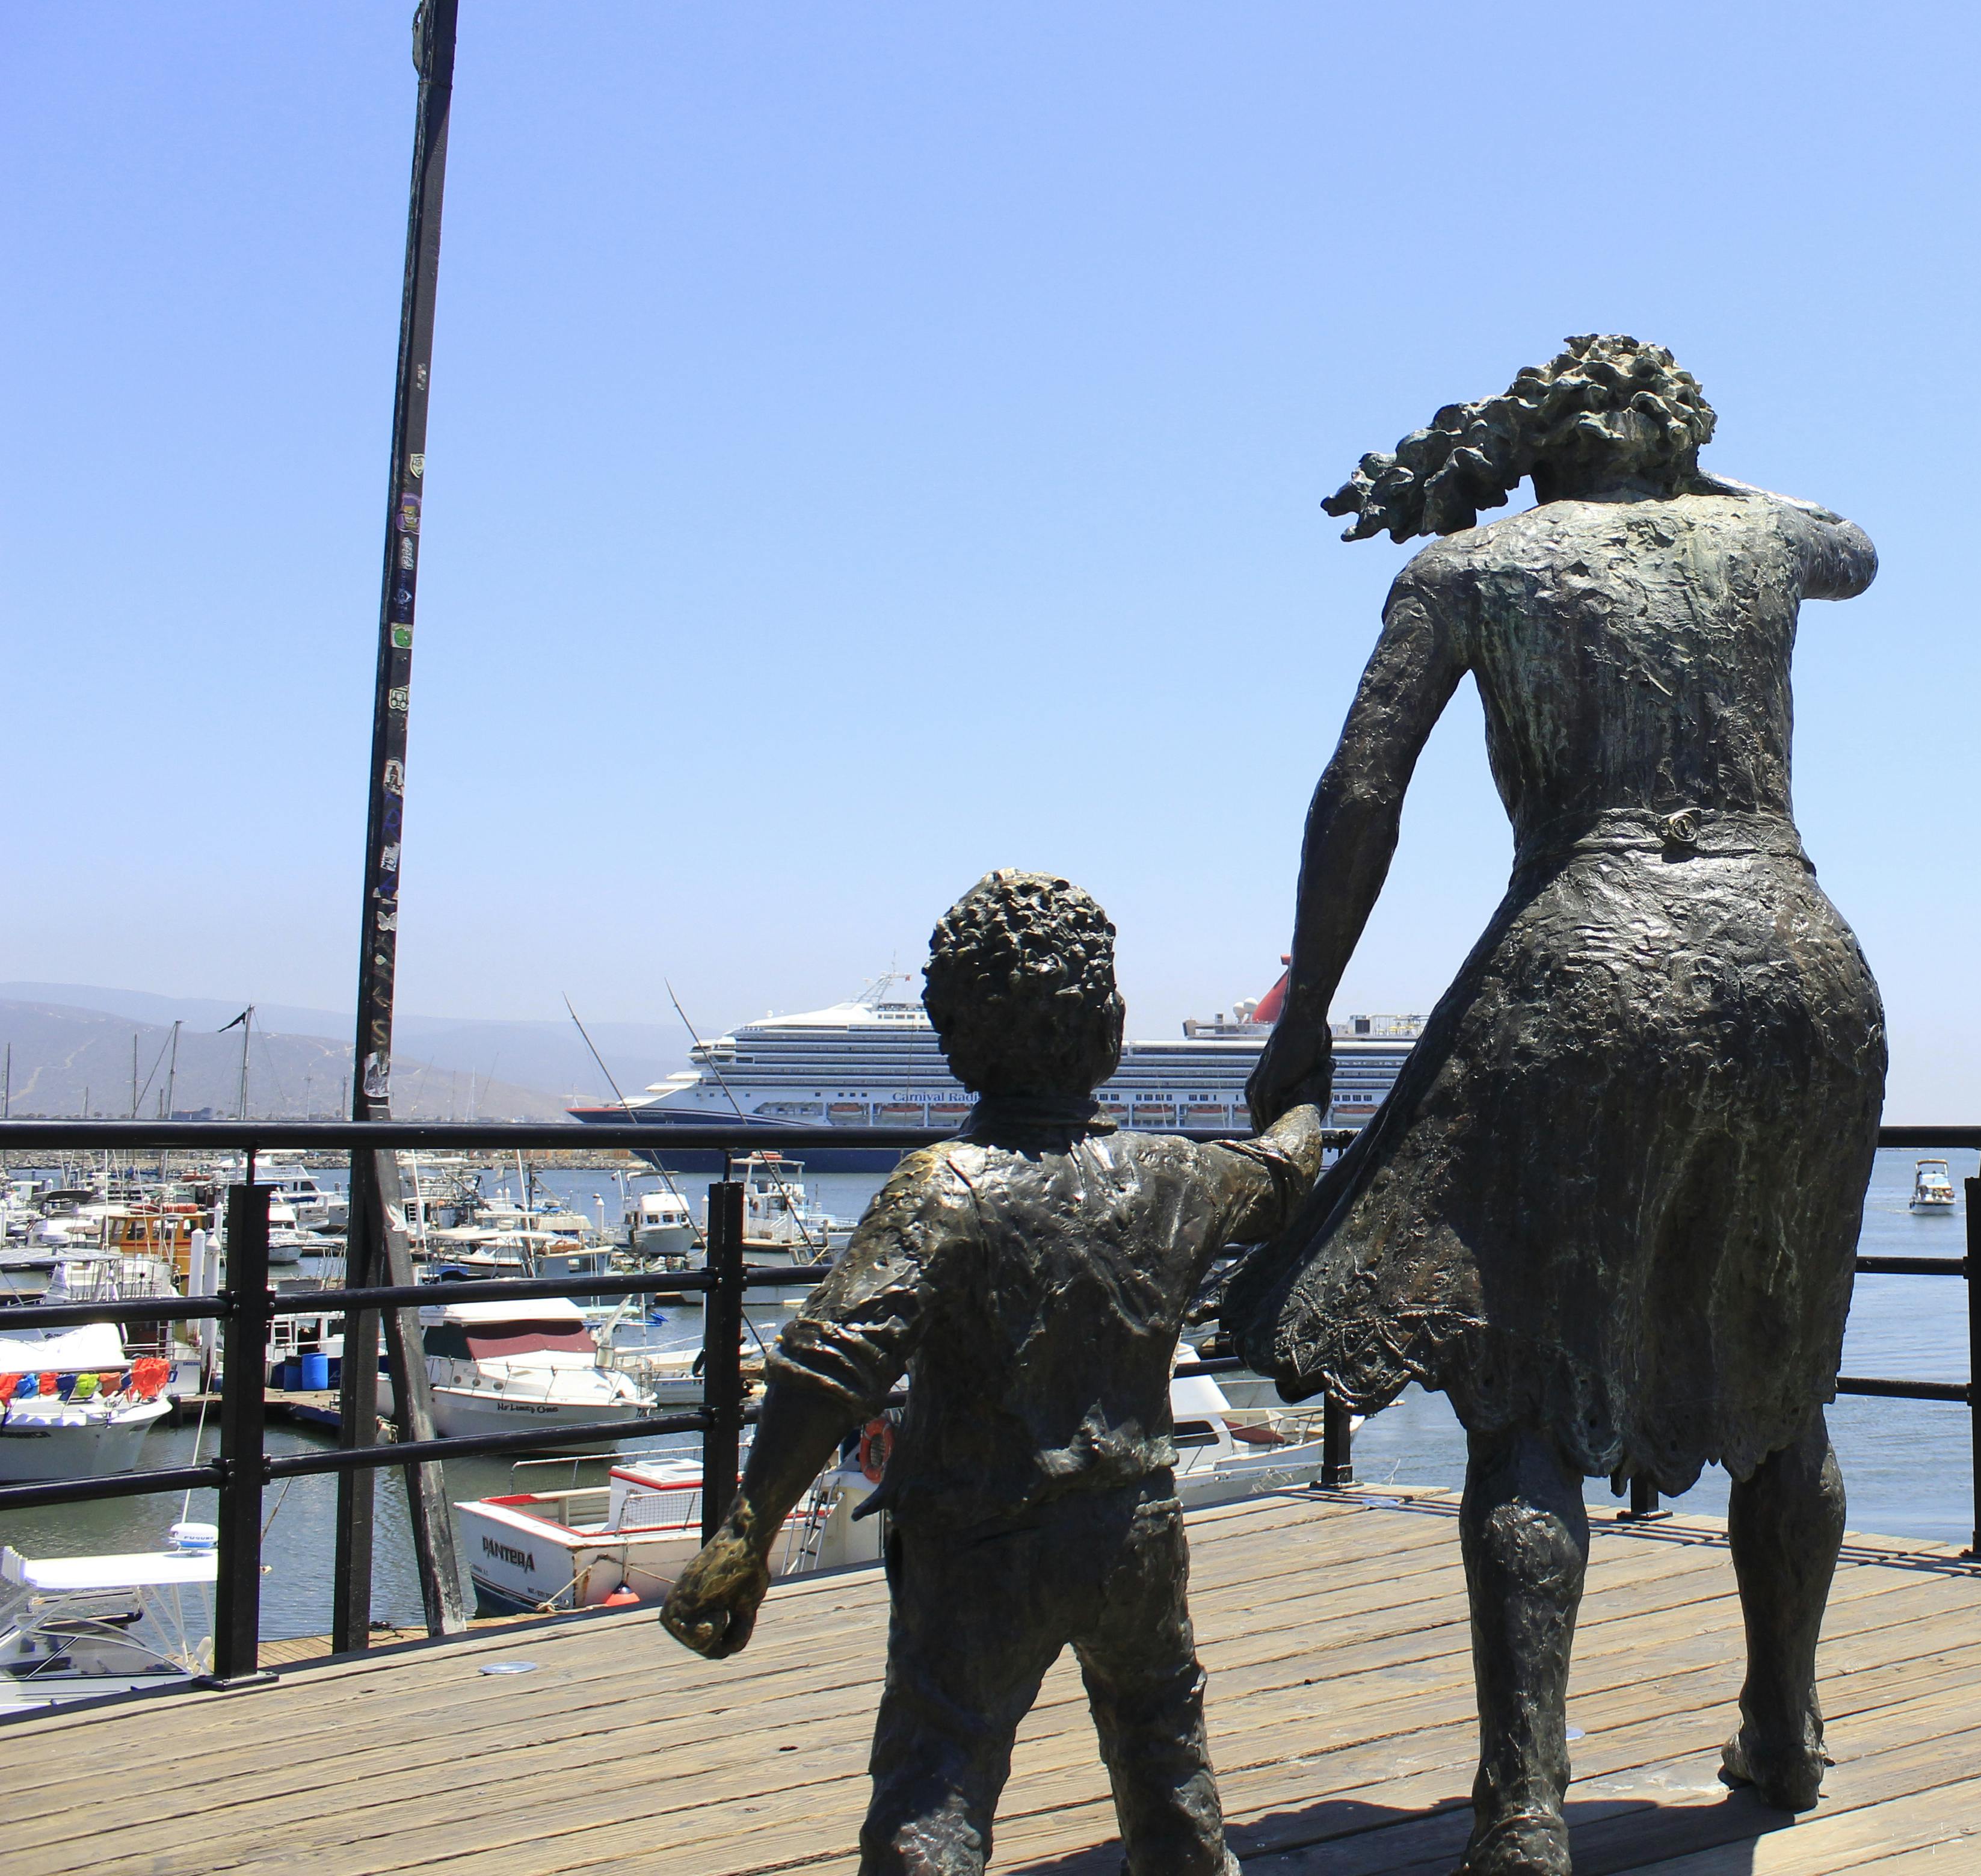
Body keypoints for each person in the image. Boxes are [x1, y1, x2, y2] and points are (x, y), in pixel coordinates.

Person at [1228, 335, 1886, 1875]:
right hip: (1802, 965)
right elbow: (1853, 544)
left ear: (1533, 443)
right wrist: (1682, 481)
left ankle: (1525, 1802)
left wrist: (1311, 1011)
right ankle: (1782, 1731)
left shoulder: (1471, 565)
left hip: (1588, 959)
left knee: (1526, 1395)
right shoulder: (1766, 534)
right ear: (1675, 430)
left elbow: (1359, 795)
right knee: (1784, 1377)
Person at [661, 868, 1321, 1876]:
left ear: (954, 1041)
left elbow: (831, 1363)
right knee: (1166, 1761)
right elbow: (1283, 1174)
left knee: (938, 1778)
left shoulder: (944, 1188)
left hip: (976, 1541)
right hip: (1134, 1530)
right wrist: (1303, 1089)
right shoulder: (1177, 1175)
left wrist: (746, 1532)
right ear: (1110, 1029)